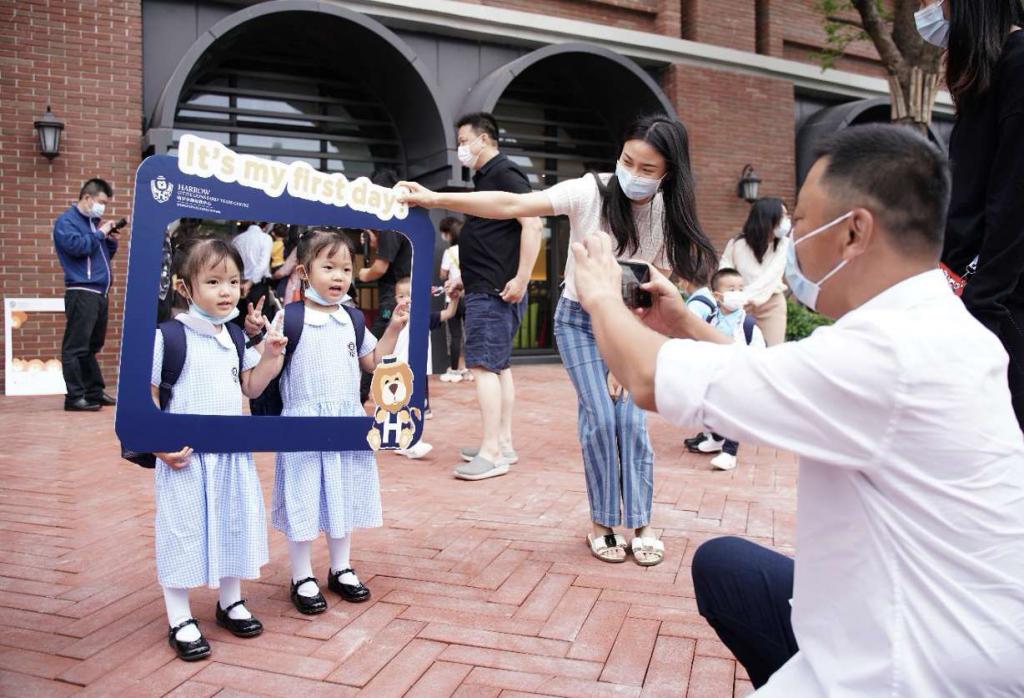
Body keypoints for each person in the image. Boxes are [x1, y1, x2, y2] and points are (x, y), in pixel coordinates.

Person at [569, 123, 1024, 694]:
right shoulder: (935, 326)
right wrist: (685, 322)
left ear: (854, 231)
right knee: (727, 568)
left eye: (802, 223)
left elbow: (644, 379)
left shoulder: (886, 356)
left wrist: (601, 294)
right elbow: (774, 377)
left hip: (918, 667)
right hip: (953, 618)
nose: (792, 241)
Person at [399, 114, 716, 564]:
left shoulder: (668, 211)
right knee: (601, 418)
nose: (634, 175)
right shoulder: (590, 190)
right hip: (579, 321)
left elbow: (660, 280)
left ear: (668, 173)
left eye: (648, 169)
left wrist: (628, 354)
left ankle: (642, 523)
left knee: (631, 421)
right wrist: (434, 197)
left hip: (631, 321)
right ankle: (603, 523)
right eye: (628, 161)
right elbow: (512, 205)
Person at [151, 237, 287, 662]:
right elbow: (148, 395)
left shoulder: (233, 337)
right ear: (184, 287)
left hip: (230, 456)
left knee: (233, 523)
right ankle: (179, 616)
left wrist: (270, 356)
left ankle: (230, 601)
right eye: (212, 281)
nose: (226, 290)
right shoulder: (168, 337)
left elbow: (251, 386)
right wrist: (159, 445)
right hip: (185, 459)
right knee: (182, 530)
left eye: (232, 280)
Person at [399, 112, 543, 482]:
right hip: (487, 286)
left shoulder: (504, 173)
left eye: (464, 140)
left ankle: (492, 452)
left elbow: (532, 223)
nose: (461, 148)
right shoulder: (487, 178)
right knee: (498, 367)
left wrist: (524, 277)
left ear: (485, 139)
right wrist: (464, 277)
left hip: (496, 290)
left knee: (482, 368)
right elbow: (496, 237)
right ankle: (502, 443)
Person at [272, 229, 408, 616]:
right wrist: (264, 345)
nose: (338, 276)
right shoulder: (291, 317)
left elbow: (373, 361)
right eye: (328, 267)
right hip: (302, 424)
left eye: (345, 268)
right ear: (303, 271)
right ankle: (301, 575)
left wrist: (395, 328)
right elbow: (269, 367)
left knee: (340, 494)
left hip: (346, 422)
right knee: (303, 497)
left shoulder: (352, 318)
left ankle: (341, 567)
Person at [933, 0, 1024, 429]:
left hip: (1002, 304)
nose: (930, 11)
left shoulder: (1019, 63)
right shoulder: (989, 76)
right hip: (979, 297)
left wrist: (984, 302)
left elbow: (1013, 199)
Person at [683, 268, 765, 470]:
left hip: (739, 377)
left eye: (740, 288)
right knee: (710, 410)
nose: (737, 293)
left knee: (732, 413)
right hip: (714, 376)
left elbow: (760, 353)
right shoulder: (711, 320)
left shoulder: (747, 325)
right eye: (732, 289)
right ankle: (717, 438)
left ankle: (729, 452)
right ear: (717, 296)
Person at [53, 178, 122, 411]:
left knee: (92, 345)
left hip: (99, 293)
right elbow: (77, 248)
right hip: (82, 291)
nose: (103, 207)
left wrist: (110, 242)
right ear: (87, 198)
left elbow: (96, 256)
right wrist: (101, 235)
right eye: (101, 202)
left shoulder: (94, 224)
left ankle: (94, 392)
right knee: (75, 347)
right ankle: (74, 397)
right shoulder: (67, 221)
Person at [390, 276, 462, 459]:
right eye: (401, 296)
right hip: (398, 370)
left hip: (418, 370)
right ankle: (407, 442)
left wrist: (453, 299)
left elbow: (448, 314)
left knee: (416, 405)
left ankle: (409, 441)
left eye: (410, 295)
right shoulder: (394, 319)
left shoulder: (423, 317)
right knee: (402, 405)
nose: (406, 300)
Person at [358, 169, 413, 404]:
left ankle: (359, 397)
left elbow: (379, 268)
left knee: (376, 350)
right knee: (403, 351)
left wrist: (360, 274)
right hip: (400, 294)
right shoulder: (404, 222)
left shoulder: (392, 225)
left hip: (393, 298)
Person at [720, 197, 792, 346]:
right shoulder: (737, 245)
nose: (787, 220)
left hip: (771, 305)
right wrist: (733, 300)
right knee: (737, 352)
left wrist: (747, 298)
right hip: (738, 306)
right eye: (782, 216)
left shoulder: (785, 245)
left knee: (771, 354)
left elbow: (771, 278)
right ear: (767, 217)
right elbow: (723, 274)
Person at [438, 216, 468, 383]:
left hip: (454, 297)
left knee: (455, 335)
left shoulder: (449, 252)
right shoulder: (469, 249)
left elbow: (443, 274)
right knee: (470, 334)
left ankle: (455, 370)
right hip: (469, 297)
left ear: (448, 234)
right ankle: (469, 369)